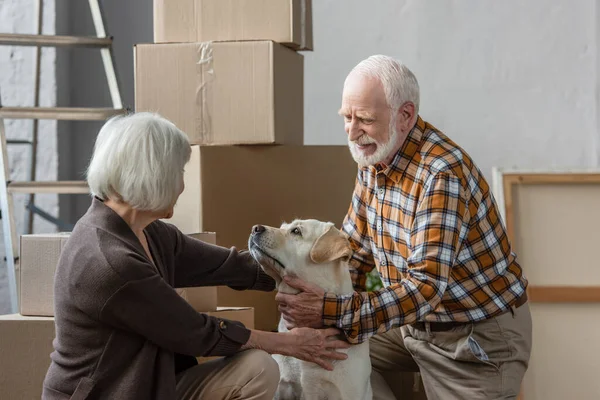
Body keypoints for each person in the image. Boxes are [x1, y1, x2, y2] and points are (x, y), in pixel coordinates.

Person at [42, 112, 350, 400]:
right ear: (153, 176)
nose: (182, 183)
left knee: (256, 368)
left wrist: (310, 279)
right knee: (263, 364)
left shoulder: (148, 233)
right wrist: (287, 344)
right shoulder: (110, 262)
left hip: (152, 382)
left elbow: (231, 266)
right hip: (112, 392)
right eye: (178, 172)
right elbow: (194, 331)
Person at [275, 55, 532, 399]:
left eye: (364, 119)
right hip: (410, 325)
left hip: (471, 338)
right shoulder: (375, 156)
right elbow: (354, 253)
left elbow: (425, 289)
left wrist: (330, 310)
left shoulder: (441, 175)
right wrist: (304, 287)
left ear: (405, 116)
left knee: (338, 328)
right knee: (324, 350)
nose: (352, 132)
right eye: (347, 117)